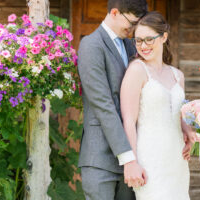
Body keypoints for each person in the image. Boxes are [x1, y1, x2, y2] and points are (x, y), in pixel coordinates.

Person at [120, 11, 196, 199]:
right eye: (138, 41)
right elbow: (128, 120)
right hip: (150, 159)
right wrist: (131, 162)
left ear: (164, 37)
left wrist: (188, 130)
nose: (143, 46)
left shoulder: (178, 75)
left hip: (177, 159)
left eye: (148, 39)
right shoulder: (137, 70)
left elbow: (175, 113)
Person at [77, 0, 148, 199]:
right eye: (132, 23)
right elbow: (103, 105)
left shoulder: (131, 45)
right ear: (115, 12)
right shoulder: (91, 45)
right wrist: (128, 157)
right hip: (100, 158)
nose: (134, 30)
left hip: (134, 158)